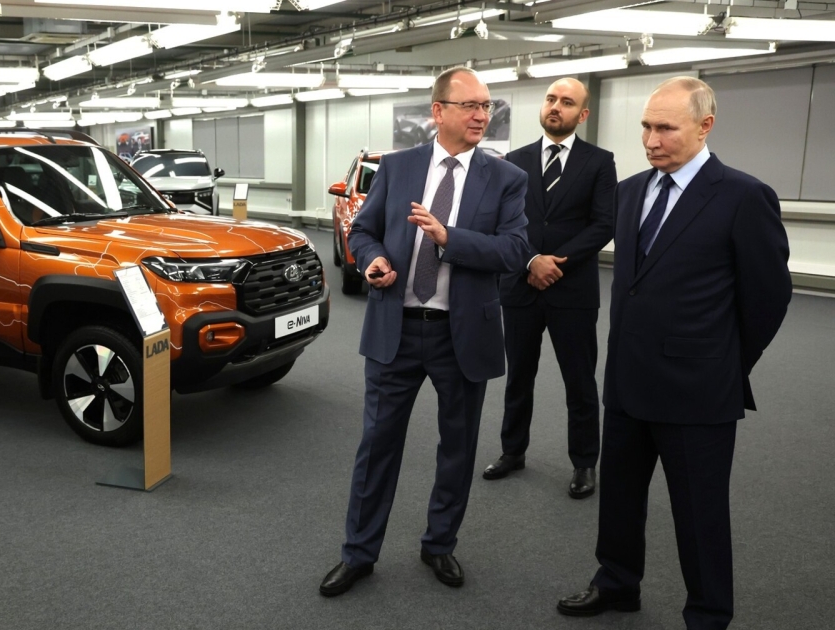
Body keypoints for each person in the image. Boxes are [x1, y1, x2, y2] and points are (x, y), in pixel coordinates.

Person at [557, 77, 791, 629]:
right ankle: (617, 582)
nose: (651, 140)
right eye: (645, 126)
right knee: (619, 498)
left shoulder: (743, 196)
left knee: (698, 512)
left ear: (705, 126)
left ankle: (707, 614)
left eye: (665, 128)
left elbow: (768, 297)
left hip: (698, 390)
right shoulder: (631, 191)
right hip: (628, 380)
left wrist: (725, 363)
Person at [319, 67, 529, 596]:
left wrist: (448, 238)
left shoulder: (506, 178)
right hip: (396, 327)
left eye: (486, 106)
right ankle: (358, 553)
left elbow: (514, 251)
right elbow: (364, 231)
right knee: (377, 445)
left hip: (462, 334)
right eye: (470, 105)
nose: (481, 115)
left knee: (457, 446)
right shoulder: (398, 167)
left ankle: (439, 544)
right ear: (439, 111)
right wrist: (372, 261)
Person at [482, 78, 616, 498]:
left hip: (571, 289)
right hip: (520, 286)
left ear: (583, 114)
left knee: (580, 381)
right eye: (551, 99)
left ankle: (584, 462)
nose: (556, 106)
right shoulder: (514, 161)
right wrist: (530, 261)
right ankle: (512, 451)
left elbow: (604, 224)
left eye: (567, 102)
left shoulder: (599, 162)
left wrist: (555, 263)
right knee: (518, 377)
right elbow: (502, 222)